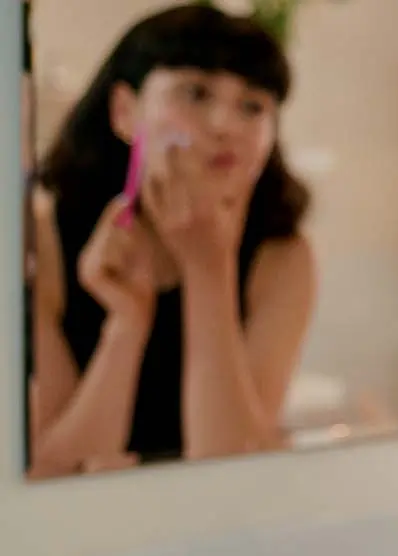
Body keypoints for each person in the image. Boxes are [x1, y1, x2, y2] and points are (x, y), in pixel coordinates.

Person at [25, 3, 315, 478]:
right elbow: (51, 477)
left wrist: (209, 269)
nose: (225, 125)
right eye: (196, 93)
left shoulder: (282, 258)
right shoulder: (44, 240)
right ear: (125, 111)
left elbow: (237, 473)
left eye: (253, 106)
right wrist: (126, 325)